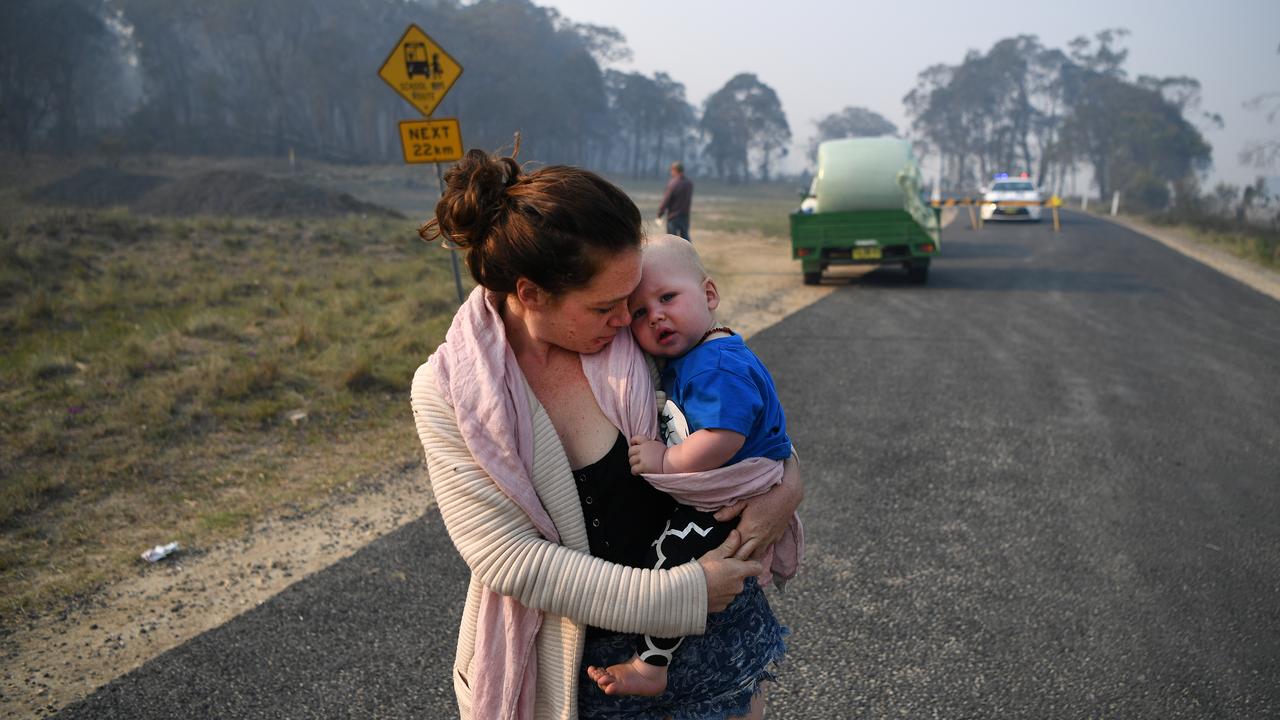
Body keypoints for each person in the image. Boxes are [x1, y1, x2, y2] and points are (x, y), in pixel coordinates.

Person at [411, 144, 803, 720]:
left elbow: (750, 422)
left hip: (718, 639)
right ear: (530, 295)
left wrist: (788, 487)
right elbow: (506, 558)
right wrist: (681, 596)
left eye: (632, 297)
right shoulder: (450, 393)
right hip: (582, 671)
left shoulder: (641, 336)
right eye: (605, 307)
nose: (629, 320)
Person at [586, 235, 800, 698]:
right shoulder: (700, 356)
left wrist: (666, 458)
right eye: (639, 312)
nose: (655, 315)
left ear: (708, 295)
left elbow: (723, 438)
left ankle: (650, 665)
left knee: (671, 562)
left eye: (667, 298)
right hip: (733, 491)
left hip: (727, 500)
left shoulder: (713, 366)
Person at [657, 161, 694, 241]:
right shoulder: (689, 183)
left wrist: (660, 214)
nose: (671, 173)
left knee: (672, 241)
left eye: (671, 171)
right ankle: (688, 253)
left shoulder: (673, 183)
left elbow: (666, 200)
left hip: (673, 216)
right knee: (685, 239)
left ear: (675, 170)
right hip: (685, 216)